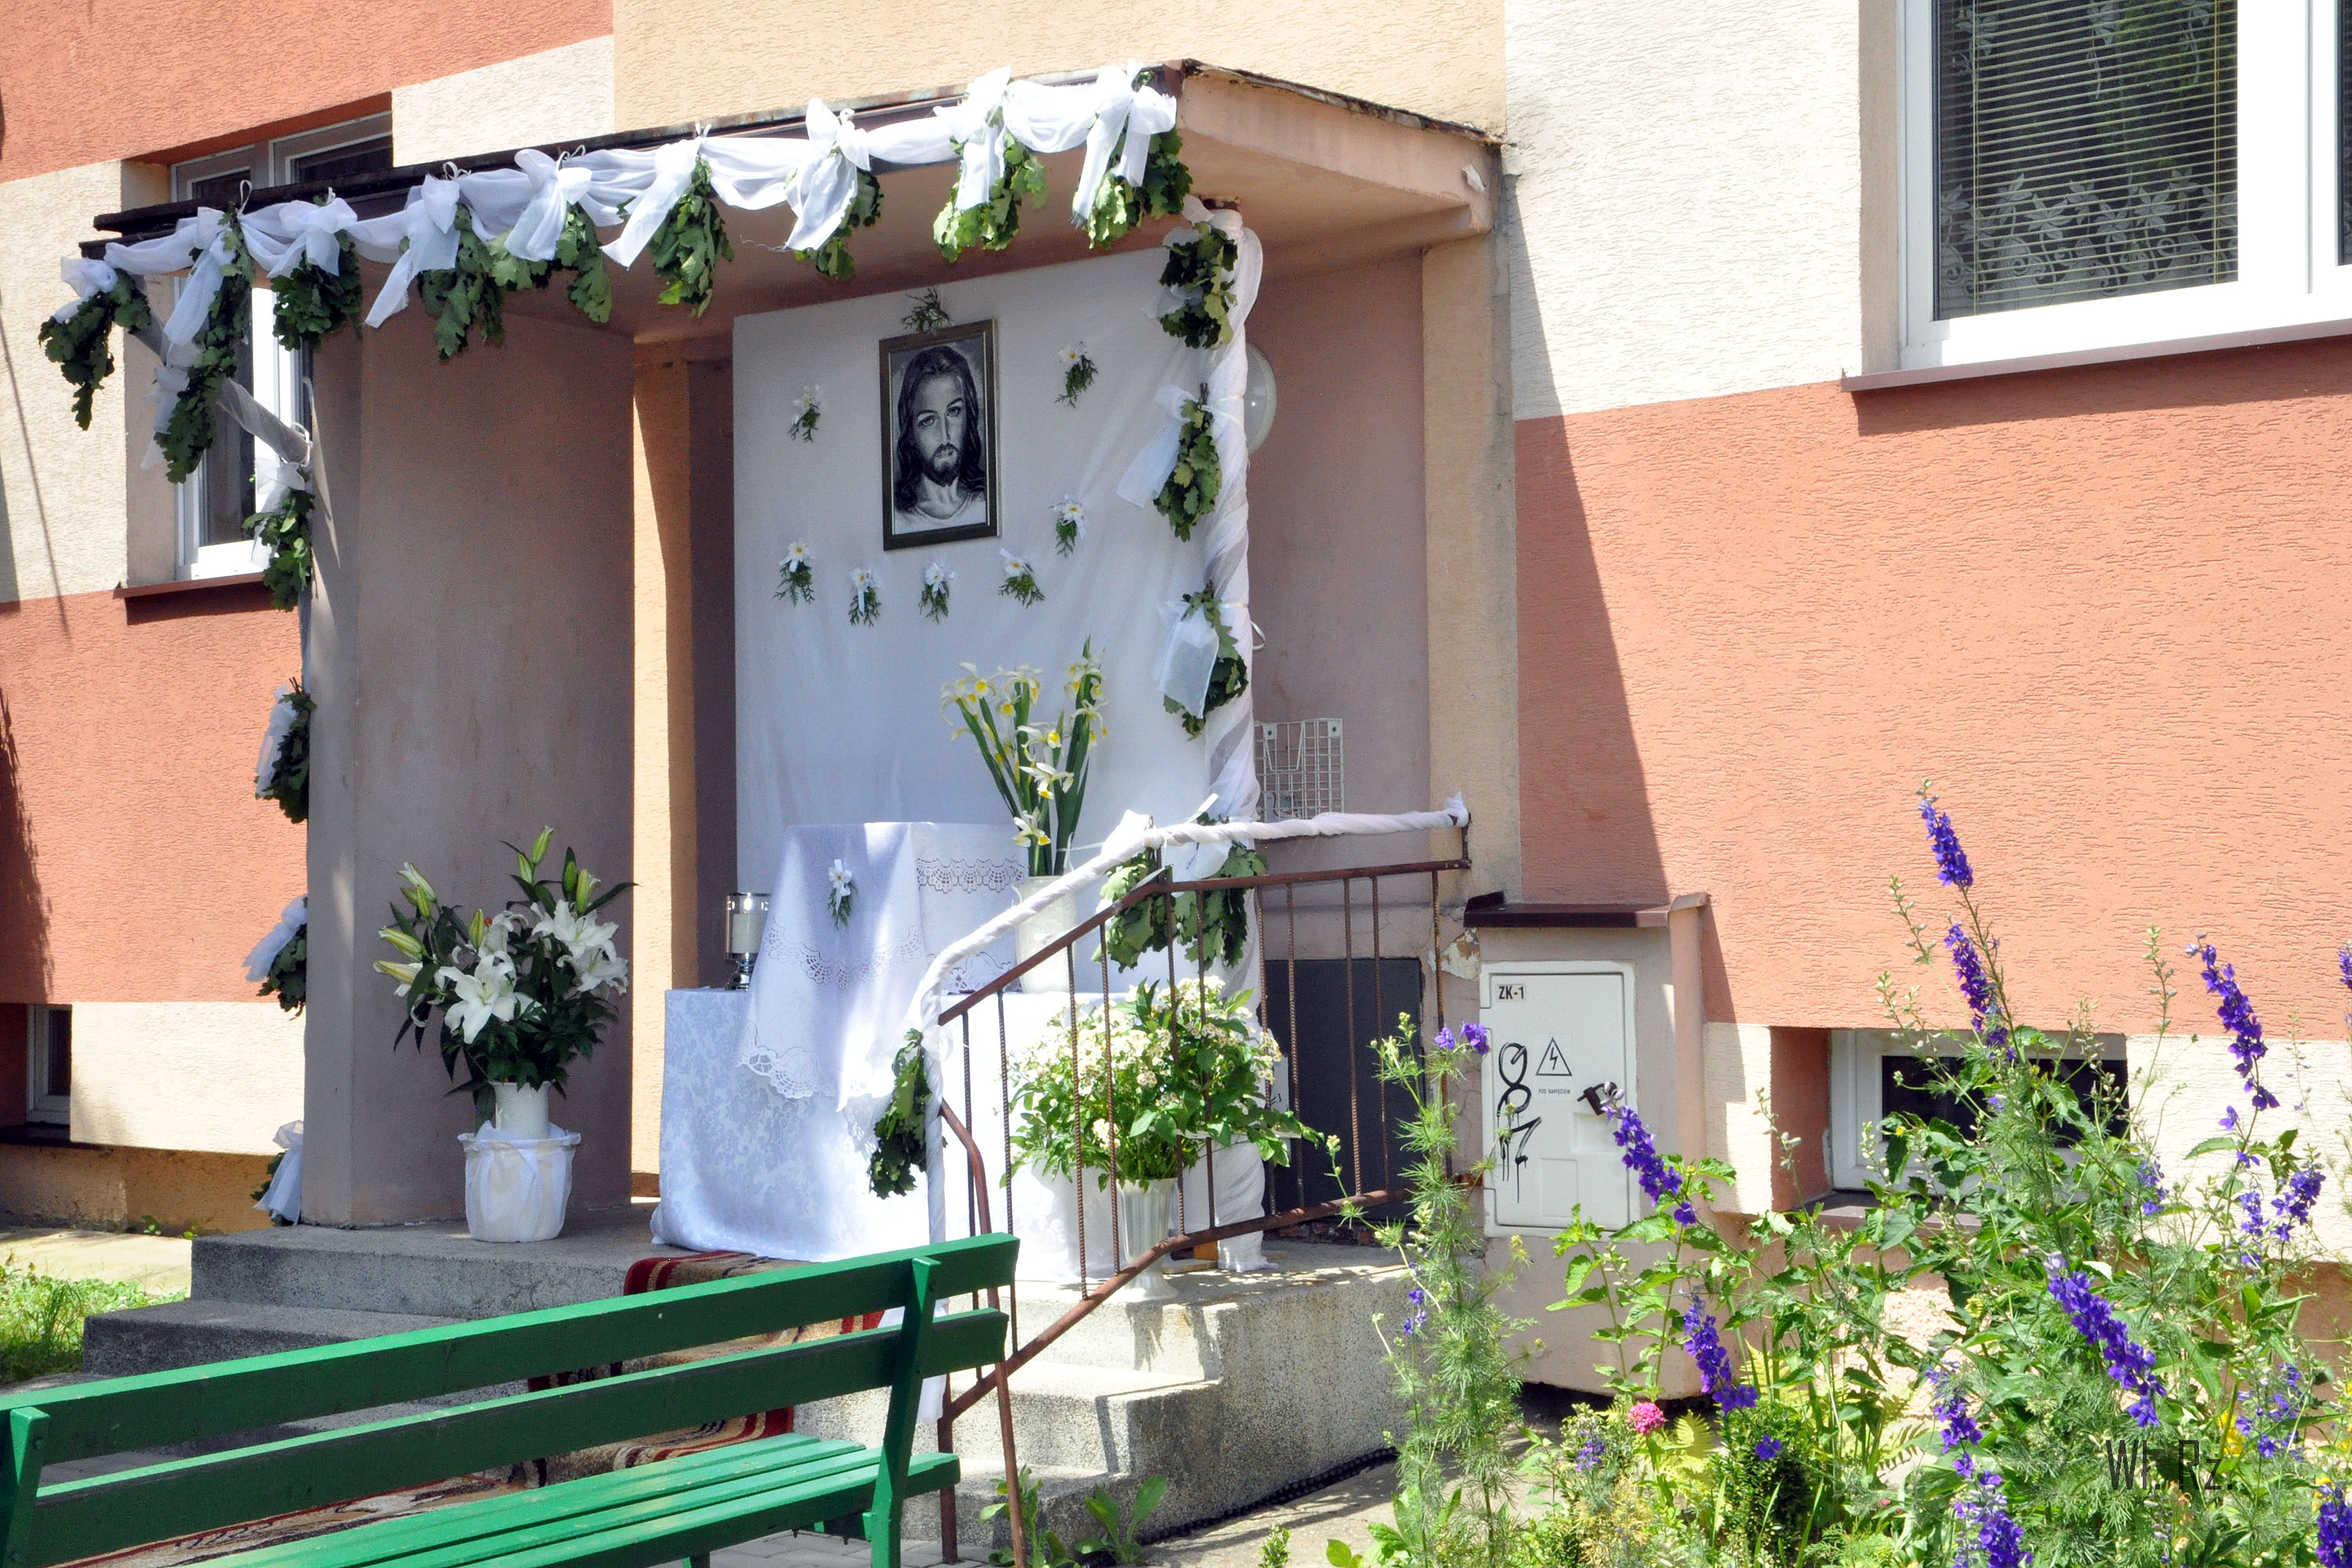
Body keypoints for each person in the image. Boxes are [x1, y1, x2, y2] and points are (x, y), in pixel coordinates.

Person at [891, 345, 988, 532]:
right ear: (910, 432)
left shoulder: (986, 501)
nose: (944, 436)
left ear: (969, 415)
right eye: (928, 420)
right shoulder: (900, 517)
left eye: (953, 411)